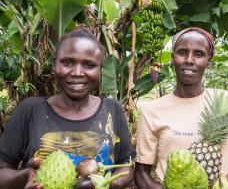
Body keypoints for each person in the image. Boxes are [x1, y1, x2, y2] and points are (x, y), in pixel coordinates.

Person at [0, 27, 135, 189]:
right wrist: (25, 175)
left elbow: (126, 164)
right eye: (67, 62)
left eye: (89, 65)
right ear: (54, 64)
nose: (77, 72)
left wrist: (107, 183)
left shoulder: (113, 109)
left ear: (100, 69)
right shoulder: (30, 110)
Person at [134, 27, 228, 189]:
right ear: (173, 57)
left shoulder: (226, 101)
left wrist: (224, 185)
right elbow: (141, 173)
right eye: (182, 52)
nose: (189, 60)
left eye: (199, 54)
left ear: (209, 61)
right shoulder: (151, 110)